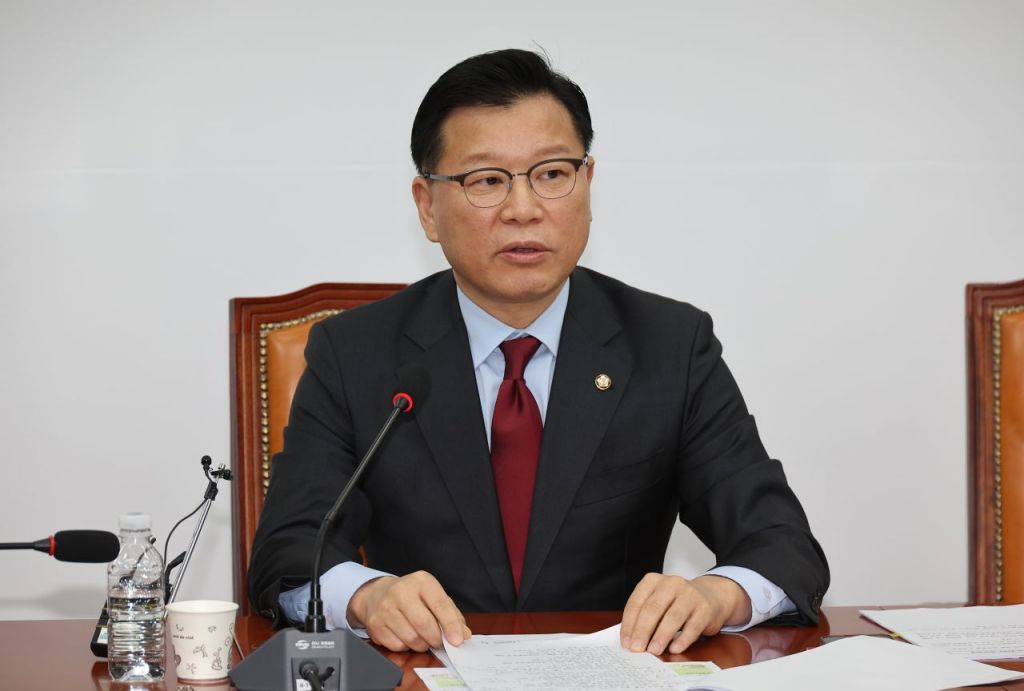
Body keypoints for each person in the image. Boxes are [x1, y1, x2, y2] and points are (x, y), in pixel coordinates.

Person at [249, 48, 829, 657]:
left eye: (551, 174)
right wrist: (366, 598)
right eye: (486, 180)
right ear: (427, 206)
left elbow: (783, 545)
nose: (524, 210)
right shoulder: (354, 353)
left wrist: (718, 595)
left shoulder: (670, 345)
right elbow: (288, 552)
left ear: (587, 184)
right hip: (425, 675)